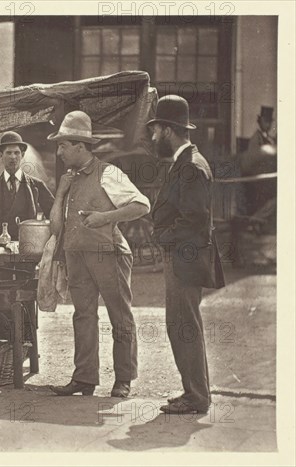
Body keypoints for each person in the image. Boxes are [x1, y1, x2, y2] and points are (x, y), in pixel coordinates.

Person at [47, 111, 150, 398]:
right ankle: (84, 378)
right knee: (83, 316)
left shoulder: (109, 172)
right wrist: (59, 194)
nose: (59, 152)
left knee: (120, 315)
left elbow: (142, 206)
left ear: (80, 146)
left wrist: (105, 217)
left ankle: (124, 379)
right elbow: (56, 227)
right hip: (76, 256)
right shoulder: (67, 179)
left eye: (63, 146)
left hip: (108, 254)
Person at [148, 95, 225, 414]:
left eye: (155, 131)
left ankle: (196, 395)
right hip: (183, 256)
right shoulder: (186, 162)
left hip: (184, 257)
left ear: (168, 130)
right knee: (181, 324)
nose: (153, 138)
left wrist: (162, 236)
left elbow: (193, 219)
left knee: (183, 325)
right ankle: (194, 392)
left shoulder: (191, 166)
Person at [0, 131, 54, 241]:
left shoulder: (36, 185)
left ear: (23, 155)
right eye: (9, 153)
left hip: (28, 247)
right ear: (1, 155)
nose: (13, 157)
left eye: (17, 153)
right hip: (1, 249)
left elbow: (54, 215)